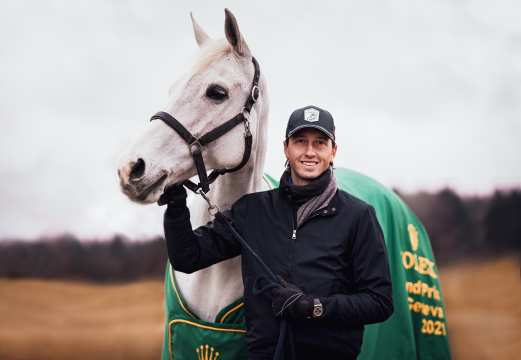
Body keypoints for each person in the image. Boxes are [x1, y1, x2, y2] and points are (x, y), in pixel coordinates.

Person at [161, 105, 393, 359]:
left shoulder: (358, 216)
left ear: (333, 151)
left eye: (320, 143)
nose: (309, 152)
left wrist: (314, 307)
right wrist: (176, 209)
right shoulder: (252, 210)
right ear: (286, 148)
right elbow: (187, 257)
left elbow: (379, 302)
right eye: (300, 142)